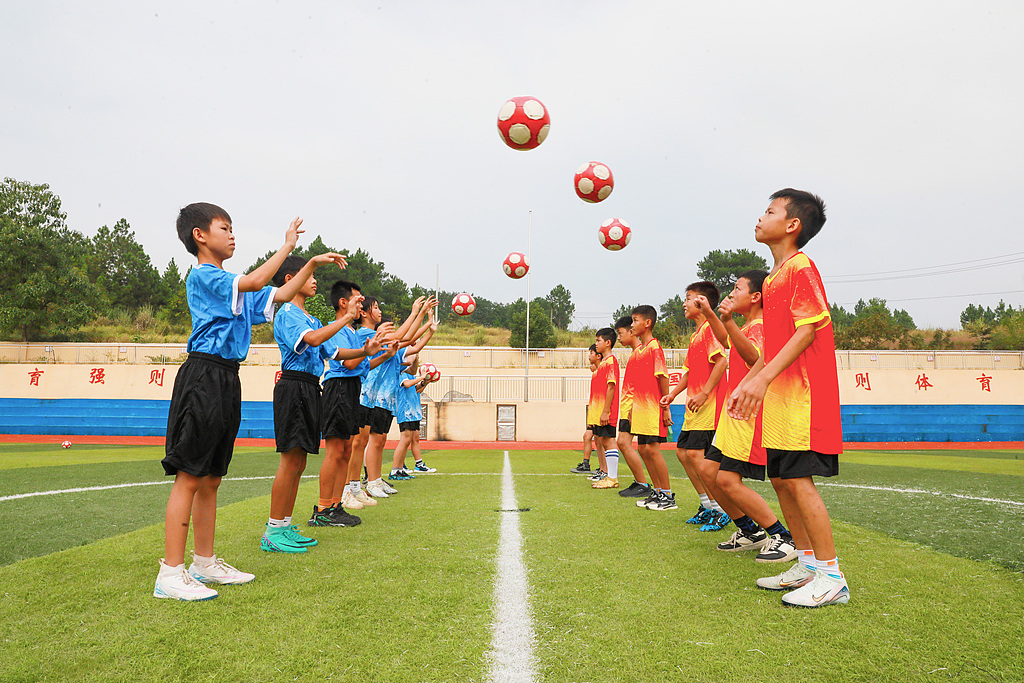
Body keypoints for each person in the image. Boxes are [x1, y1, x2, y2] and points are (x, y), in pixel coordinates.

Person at [155, 203, 345, 601]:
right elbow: (261, 279)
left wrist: (308, 262)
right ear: (199, 235)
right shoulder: (204, 277)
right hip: (203, 376)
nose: (232, 235)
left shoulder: (230, 283)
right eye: (224, 228)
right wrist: (287, 246)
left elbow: (277, 292)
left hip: (226, 377)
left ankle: (203, 562)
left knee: (212, 477)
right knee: (190, 474)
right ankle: (170, 573)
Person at [729, 189, 848, 607]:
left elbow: (807, 331)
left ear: (793, 224)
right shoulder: (775, 276)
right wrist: (751, 381)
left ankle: (832, 576)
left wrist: (761, 381)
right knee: (781, 480)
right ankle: (809, 563)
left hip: (802, 398)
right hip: (778, 400)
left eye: (770, 211)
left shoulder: (801, 267)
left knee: (799, 480)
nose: (761, 217)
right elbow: (771, 348)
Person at [263, 261, 383, 551]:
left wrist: (364, 351)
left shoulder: (311, 318)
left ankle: (284, 524)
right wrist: (345, 319)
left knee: (299, 460)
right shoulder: (289, 314)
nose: (315, 281)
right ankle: (273, 531)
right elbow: (314, 340)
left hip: (309, 386)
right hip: (294, 386)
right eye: (311, 275)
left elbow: (335, 351)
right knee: (290, 459)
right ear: (292, 279)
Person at [694, 271, 795, 562]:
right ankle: (749, 531)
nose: (732, 293)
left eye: (737, 288)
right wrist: (714, 315)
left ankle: (781, 534)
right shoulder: (749, 325)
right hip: (731, 414)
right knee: (708, 472)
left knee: (726, 480)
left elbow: (754, 358)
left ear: (755, 297)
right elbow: (730, 341)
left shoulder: (762, 326)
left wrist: (724, 320)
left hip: (746, 416)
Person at [309, 279, 392, 525]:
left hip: (351, 388)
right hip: (338, 389)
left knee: (345, 450)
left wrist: (383, 353)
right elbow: (348, 363)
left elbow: (362, 365)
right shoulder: (335, 329)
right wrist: (369, 350)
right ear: (344, 302)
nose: (361, 303)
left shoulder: (352, 332)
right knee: (335, 451)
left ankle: (336, 505)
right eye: (357, 299)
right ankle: (323, 508)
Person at [661, 282, 730, 530]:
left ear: (702, 302)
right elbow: (689, 372)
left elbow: (722, 362)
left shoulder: (712, 330)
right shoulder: (695, 335)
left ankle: (721, 510)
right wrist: (672, 394)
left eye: (688, 298)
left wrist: (704, 393)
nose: (684, 303)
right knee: (682, 453)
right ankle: (706, 505)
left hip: (708, 407)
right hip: (694, 407)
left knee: (697, 456)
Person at [361, 297, 437, 499]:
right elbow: (405, 335)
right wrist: (417, 313)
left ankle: (376, 480)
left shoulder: (393, 349)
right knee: (372, 442)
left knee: (381, 440)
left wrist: (428, 325)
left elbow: (411, 342)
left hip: (388, 400)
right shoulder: (370, 336)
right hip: (375, 397)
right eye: (375, 307)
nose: (378, 309)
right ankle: (369, 481)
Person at [626, 306, 675, 511]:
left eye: (635, 320)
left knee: (653, 450)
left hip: (653, 408)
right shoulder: (639, 351)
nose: (632, 324)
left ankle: (668, 495)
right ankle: (657, 491)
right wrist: (631, 408)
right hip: (640, 409)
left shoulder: (655, 348)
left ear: (647, 323)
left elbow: (662, 377)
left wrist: (665, 407)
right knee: (643, 449)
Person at [613, 316, 652, 499]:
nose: (618, 338)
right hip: (628, 406)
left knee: (625, 443)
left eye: (620, 333)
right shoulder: (635, 353)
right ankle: (642, 483)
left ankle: (643, 483)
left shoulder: (642, 352)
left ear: (631, 331)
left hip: (635, 407)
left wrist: (631, 409)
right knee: (625, 443)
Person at [389, 356, 439, 478]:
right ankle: (397, 469)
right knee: (405, 439)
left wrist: (425, 382)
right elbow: (406, 385)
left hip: (413, 410)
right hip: (406, 410)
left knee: (412, 438)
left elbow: (415, 390)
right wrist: (421, 377)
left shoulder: (411, 375)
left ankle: (404, 467)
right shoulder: (402, 373)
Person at [589, 328, 621, 490]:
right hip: (601, 411)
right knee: (604, 441)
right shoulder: (603, 365)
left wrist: (606, 411)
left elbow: (611, 387)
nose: (596, 343)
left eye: (598, 340)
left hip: (607, 412)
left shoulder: (611, 362)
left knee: (609, 441)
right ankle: (609, 476)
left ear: (607, 343)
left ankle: (612, 478)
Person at [570, 346, 601, 474]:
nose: (589, 356)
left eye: (592, 353)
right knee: (588, 436)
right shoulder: (596, 373)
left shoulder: (603, 370)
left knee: (601, 440)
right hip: (594, 412)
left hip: (600, 412)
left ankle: (604, 468)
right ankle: (587, 464)